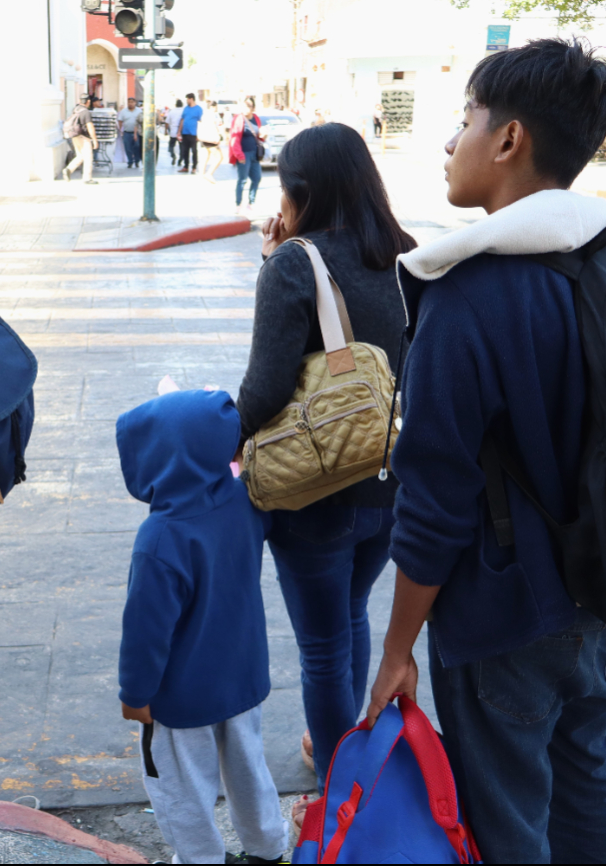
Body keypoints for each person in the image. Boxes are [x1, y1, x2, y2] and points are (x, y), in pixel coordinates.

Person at [364, 38, 606, 863]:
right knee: (587, 779)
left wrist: (397, 647)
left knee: (507, 814)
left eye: (466, 118)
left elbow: (434, 502)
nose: (451, 141)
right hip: (603, 599)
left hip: (503, 616)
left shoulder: (468, 297)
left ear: (509, 139)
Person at [239, 122, 416, 797]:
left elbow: (263, 391)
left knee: (321, 647)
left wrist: (223, 444)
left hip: (316, 494)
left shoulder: (295, 263)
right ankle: (344, 744)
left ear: (300, 189)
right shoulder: (404, 259)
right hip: (389, 486)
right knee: (349, 617)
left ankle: (342, 791)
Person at [116, 389, 290, 866]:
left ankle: (199, 860)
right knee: (249, 769)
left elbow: (145, 632)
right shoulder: (244, 499)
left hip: (182, 696)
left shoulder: (159, 539)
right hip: (243, 675)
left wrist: (135, 695)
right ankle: (269, 849)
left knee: (183, 788)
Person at [230, 95, 265, 212]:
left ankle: (251, 202)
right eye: (244, 105)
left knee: (257, 178)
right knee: (242, 180)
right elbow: (234, 138)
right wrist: (239, 155)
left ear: (253, 108)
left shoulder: (256, 118)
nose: (246, 108)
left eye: (249, 106)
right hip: (244, 154)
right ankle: (238, 204)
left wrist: (263, 136)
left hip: (255, 154)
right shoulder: (239, 119)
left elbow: (258, 136)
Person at [62, 93, 99, 184]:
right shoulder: (85, 112)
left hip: (75, 135)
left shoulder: (76, 109)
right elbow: (90, 126)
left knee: (80, 156)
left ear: (79, 101)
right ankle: (87, 178)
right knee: (88, 157)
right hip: (83, 137)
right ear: (88, 101)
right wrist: (94, 140)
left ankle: (68, 169)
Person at [198, 100, 224, 183]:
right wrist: (217, 138)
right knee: (219, 157)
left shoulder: (204, 114)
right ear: (212, 107)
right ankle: (209, 173)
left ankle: (201, 175)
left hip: (204, 139)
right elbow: (215, 127)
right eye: (215, 107)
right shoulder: (214, 115)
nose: (216, 109)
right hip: (211, 139)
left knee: (205, 157)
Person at [178, 92, 202, 173]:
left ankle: (194, 167)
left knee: (194, 151)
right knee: (185, 151)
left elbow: (201, 121)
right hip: (185, 133)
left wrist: (200, 134)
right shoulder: (186, 108)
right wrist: (179, 131)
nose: (187, 101)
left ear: (191, 99)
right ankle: (186, 166)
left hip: (194, 134)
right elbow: (182, 120)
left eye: (187, 99)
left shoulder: (198, 109)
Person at [118, 96, 142, 169]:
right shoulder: (123, 111)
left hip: (137, 133)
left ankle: (137, 161)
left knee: (137, 147)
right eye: (129, 102)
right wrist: (121, 130)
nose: (130, 104)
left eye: (132, 102)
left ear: (135, 103)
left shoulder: (139, 111)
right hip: (127, 132)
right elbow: (120, 121)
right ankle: (130, 161)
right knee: (128, 148)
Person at [167, 97, 184, 165]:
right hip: (181, 132)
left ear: (176, 105)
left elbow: (167, 122)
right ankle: (180, 160)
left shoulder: (172, 111)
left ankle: (173, 156)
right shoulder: (183, 111)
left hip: (173, 132)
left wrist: (166, 130)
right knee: (182, 147)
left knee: (171, 146)